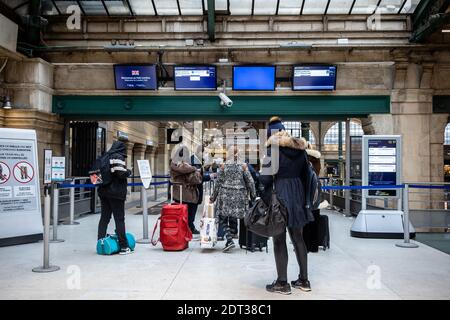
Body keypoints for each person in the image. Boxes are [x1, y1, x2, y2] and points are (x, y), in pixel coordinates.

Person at [260, 116, 314, 295]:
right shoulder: (300, 149)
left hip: (280, 196)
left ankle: (282, 283)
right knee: (298, 238)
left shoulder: (272, 149)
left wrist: (257, 180)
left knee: (279, 239)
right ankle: (304, 280)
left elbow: (266, 179)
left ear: (270, 135)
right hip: (297, 196)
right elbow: (307, 176)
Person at [210, 146, 256, 252]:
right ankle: (232, 241)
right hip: (239, 196)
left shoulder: (223, 166)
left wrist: (213, 197)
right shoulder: (243, 166)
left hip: (225, 196)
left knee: (222, 217)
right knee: (236, 218)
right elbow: (250, 182)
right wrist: (253, 196)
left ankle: (229, 240)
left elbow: (218, 183)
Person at [97, 140, 133, 255]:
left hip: (104, 192)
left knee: (104, 218)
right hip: (116, 193)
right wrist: (128, 171)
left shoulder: (104, 156)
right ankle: (124, 246)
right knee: (119, 219)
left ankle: (101, 243)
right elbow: (120, 173)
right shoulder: (117, 156)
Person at [170, 146, 203, 235]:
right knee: (190, 213)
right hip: (188, 194)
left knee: (181, 213)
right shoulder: (186, 166)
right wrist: (195, 169)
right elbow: (195, 180)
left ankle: (183, 228)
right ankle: (190, 228)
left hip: (178, 194)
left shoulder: (174, 164)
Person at [303, 143, 322, 253]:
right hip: (316, 191)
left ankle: (306, 245)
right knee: (315, 219)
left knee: (306, 221)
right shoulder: (316, 159)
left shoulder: (305, 161)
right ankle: (314, 246)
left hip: (308, 192)